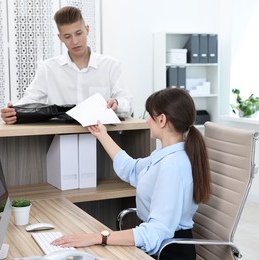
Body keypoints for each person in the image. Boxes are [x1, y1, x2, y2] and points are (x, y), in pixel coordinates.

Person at [52, 88, 211, 259]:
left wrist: (97, 237)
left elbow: (155, 233)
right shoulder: (166, 156)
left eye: (150, 115)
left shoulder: (172, 166)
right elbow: (132, 170)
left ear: (162, 120)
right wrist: (102, 135)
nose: (147, 121)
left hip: (169, 253)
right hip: (161, 247)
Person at [0, 6, 132, 124]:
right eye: (67, 36)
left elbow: (127, 103)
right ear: (60, 38)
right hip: (61, 139)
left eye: (79, 33)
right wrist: (12, 112)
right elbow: (28, 101)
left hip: (104, 138)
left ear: (87, 30)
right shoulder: (48, 69)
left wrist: (117, 103)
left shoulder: (110, 65)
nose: (75, 41)